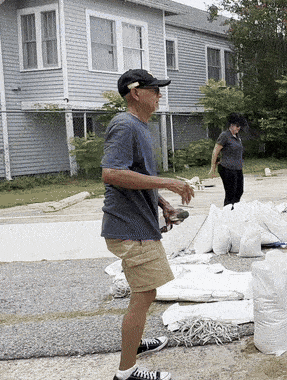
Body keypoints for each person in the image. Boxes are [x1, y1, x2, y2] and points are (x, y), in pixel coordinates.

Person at [101, 69, 195, 380]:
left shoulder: (139, 127)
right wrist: (168, 183)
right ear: (136, 93)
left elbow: (136, 178)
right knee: (143, 296)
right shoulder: (125, 125)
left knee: (146, 293)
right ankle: (126, 373)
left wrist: (162, 203)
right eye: (154, 89)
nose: (159, 95)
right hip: (129, 230)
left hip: (138, 224)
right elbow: (112, 173)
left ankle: (135, 344)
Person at [208, 112, 248, 208]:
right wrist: (213, 166)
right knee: (230, 192)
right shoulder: (225, 135)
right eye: (237, 126)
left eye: (240, 126)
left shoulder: (237, 137)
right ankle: (228, 212)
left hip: (237, 168)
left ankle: (234, 210)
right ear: (231, 125)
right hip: (226, 167)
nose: (239, 128)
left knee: (239, 191)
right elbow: (215, 151)